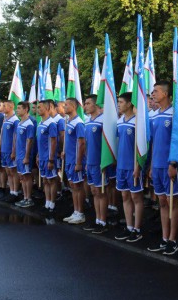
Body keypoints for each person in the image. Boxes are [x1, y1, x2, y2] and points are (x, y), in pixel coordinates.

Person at [145, 81, 178, 256]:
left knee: (172, 202)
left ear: (166, 94)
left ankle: (173, 240)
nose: (153, 94)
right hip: (157, 166)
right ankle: (165, 237)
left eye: (156, 91)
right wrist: (152, 165)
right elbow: (154, 143)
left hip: (169, 166)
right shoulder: (155, 115)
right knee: (161, 202)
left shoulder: (174, 113)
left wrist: (173, 164)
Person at [114, 92, 144, 242]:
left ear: (129, 104)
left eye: (120, 102)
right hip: (121, 166)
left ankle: (137, 229)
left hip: (133, 166)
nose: (118, 104)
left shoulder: (137, 122)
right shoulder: (119, 122)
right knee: (125, 196)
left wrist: (137, 166)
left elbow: (140, 147)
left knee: (136, 197)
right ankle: (129, 226)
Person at [83, 95, 109, 234]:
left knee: (100, 192)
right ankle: (97, 219)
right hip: (90, 162)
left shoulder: (103, 120)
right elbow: (87, 143)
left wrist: (104, 162)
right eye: (85, 104)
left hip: (100, 162)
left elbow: (107, 143)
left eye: (88, 103)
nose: (85, 106)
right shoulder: (87, 121)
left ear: (95, 105)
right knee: (94, 191)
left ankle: (103, 221)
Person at [62, 97, 87, 224]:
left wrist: (78, 162)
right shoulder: (68, 121)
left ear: (74, 107)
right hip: (69, 159)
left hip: (76, 160)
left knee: (78, 186)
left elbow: (81, 143)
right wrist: (64, 152)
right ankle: (76, 211)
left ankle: (81, 213)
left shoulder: (79, 122)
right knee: (72, 186)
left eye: (66, 105)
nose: (64, 107)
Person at [36, 100, 59, 216]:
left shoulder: (51, 123)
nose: (38, 109)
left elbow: (53, 142)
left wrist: (51, 159)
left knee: (51, 180)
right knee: (45, 180)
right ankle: (47, 202)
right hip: (42, 157)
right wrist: (38, 155)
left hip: (49, 158)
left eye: (40, 107)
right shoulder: (40, 123)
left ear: (47, 108)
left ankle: (52, 204)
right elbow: (40, 142)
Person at [14, 102, 36, 208]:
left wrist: (27, 156)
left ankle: (29, 198)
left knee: (27, 177)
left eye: (19, 108)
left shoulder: (29, 124)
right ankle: (25, 197)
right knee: (22, 177)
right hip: (19, 154)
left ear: (26, 109)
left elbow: (29, 141)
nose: (17, 110)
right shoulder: (20, 123)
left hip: (25, 155)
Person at [0, 99, 19, 201]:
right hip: (3, 150)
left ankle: (15, 192)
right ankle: (11, 191)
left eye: (5, 106)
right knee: (8, 171)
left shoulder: (15, 120)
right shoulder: (5, 119)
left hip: (10, 150)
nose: (3, 108)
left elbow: (15, 137)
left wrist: (13, 151)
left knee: (13, 171)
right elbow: (2, 135)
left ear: (11, 107)